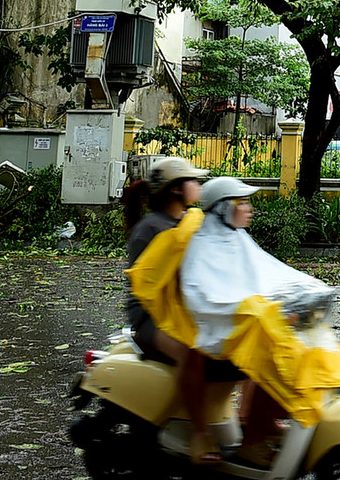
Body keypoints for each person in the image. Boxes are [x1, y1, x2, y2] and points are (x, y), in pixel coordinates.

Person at [181, 178, 340, 468]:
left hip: (244, 334)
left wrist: (308, 290)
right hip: (219, 341)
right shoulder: (204, 246)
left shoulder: (236, 238)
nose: (249, 208)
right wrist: (259, 310)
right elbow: (205, 298)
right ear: (222, 209)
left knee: (302, 351)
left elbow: (270, 275)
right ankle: (252, 441)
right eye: (241, 202)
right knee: (279, 359)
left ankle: (264, 420)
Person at [122, 157, 218, 465]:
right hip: (152, 316)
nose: (198, 186)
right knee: (192, 353)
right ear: (177, 190)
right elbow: (151, 285)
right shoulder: (151, 229)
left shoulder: (188, 221)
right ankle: (200, 436)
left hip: (184, 310)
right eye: (194, 181)